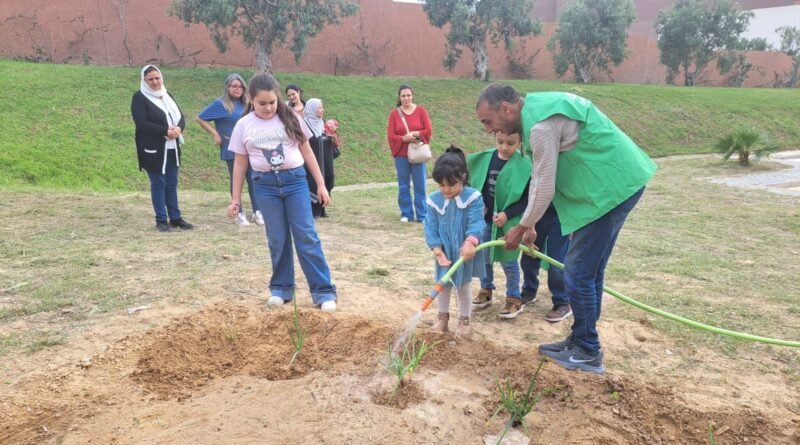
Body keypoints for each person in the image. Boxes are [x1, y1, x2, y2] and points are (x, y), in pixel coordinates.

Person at [476, 85, 656, 375]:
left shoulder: (540, 126)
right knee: (589, 271)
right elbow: (538, 178)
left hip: (611, 190)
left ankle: (587, 350)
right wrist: (531, 223)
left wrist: (520, 228)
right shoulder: (539, 109)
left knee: (578, 272)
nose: (487, 130)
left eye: (488, 121)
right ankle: (580, 339)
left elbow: (545, 186)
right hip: (618, 184)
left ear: (506, 109)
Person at [227, 73, 337, 312]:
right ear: (251, 100)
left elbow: (308, 152)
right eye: (262, 103)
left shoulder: (291, 119)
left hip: (295, 181)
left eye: (272, 102)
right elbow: (239, 163)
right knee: (277, 238)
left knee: (306, 235)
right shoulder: (243, 125)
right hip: (264, 185)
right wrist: (236, 199)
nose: (268, 108)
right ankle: (281, 288)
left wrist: (320, 184)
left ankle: (323, 291)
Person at [466, 130, 533, 318]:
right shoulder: (488, 159)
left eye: (510, 143)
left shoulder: (525, 166)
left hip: (511, 222)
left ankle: (514, 299)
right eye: (500, 141)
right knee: (484, 257)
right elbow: (481, 187)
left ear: (520, 141)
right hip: (487, 220)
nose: (504, 147)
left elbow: (528, 199)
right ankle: (486, 290)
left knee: (509, 261)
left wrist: (507, 213)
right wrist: (482, 207)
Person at [424, 146, 486, 336]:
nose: (446, 189)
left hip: (463, 252)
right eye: (441, 185)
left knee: (463, 286)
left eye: (450, 184)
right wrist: (437, 250)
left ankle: (464, 321)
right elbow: (430, 226)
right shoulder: (434, 200)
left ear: (463, 178)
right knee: (443, 285)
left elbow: (477, 222)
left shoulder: (473, 198)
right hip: (444, 252)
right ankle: (442, 319)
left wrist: (470, 242)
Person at [131, 64, 193, 232]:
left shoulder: (167, 95)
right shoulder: (139, 97)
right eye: (150, 79)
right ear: (144, 81)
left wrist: (179, 129)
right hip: (153, 149)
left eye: (157, 78)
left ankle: (175, 218)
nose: (155, 82)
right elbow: (142, 123)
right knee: (159, 183)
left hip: (172, 147)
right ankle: (161, 220)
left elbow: (180, 117)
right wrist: (164, 131)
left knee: (171, 184)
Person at [196, 73, 264, 226]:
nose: (238, 89)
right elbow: (200, 118)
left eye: (241, 86)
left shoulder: (248, 102)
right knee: (237, 180)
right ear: (227, 87)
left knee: (254, 179)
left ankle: (257, 212)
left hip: (249, 147)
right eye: (234, 86)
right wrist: (215, 134)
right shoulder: (220, 104)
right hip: (231, 148)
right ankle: (238, 213)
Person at [387, 84, 432, 223]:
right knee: (403, 185)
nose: (406, 98)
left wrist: (415, 134)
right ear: (399, 98)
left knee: (420, 185)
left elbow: (428, 131)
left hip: (417, 153)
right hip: (401, 155)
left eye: (408, 95)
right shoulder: (394, 114)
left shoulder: (421, 111)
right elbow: (391, 135)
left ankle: (422, 214)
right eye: (403, 96)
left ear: (412, 96)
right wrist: (403, 138)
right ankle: (406, 213)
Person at [302, 98, 338, 218]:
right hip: (313, 161)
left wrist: (333, 137)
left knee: (329, 179)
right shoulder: (304, 124)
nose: (322, 110)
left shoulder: (323, 123)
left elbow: (327, 139)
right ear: (311, 109)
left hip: (326, 160)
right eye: (319, 107)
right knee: (313, 183)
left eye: (322, 107)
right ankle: (314, 210)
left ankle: (322, 208)